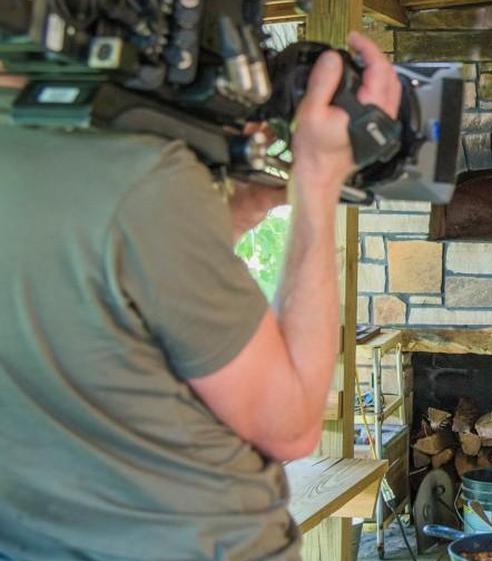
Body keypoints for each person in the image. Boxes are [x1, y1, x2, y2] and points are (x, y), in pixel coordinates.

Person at [0, 31, 401, 561]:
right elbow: (289, 426)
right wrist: (319, 183)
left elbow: (111, 310)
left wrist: (237, 214)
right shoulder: (137, 174)